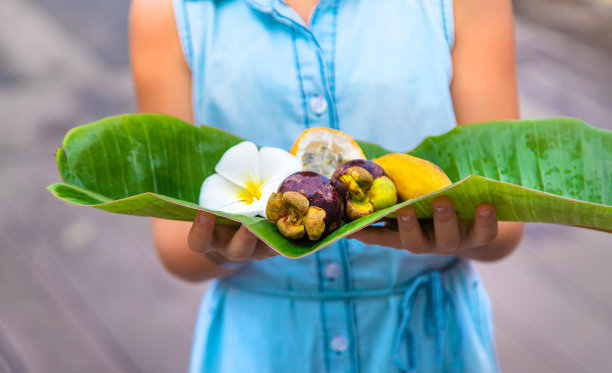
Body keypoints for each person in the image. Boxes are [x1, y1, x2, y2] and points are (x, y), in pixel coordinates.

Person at [129, 0, 525, 371]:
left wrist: (465, 230)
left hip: (428, 342)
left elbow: (506, 221)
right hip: (264, 349)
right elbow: (173, 242)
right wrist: (221, 250)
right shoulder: (167, 11)